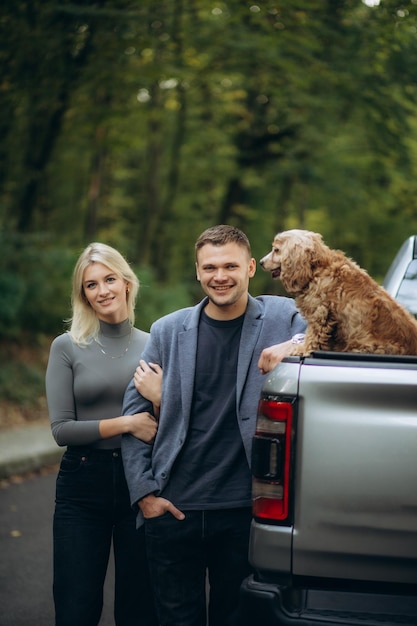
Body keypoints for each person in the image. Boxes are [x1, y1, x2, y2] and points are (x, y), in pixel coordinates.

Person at [121, 225, 306, 626]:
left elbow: (331, 333)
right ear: (197, 272)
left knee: (235, 619)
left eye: (230, 266)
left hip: (244, 511)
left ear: (251, 267)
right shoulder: (167, 331)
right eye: (209, 267)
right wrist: (145, 495)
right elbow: (134, 419)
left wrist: (288, 347)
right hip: (173, 508)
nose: (219, 276)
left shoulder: (281, 315)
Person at [45, 242, 161, 626]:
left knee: (139, 608)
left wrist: (159, 400)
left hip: (139, 482)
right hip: (82, 484)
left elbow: (169, 423)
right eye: (91, 285)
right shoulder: (67, 348)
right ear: (84, 295)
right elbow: (62, 430)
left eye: (109, 279)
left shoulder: (156, 344)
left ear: (127, 283)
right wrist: (127, 423)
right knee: (76, 606)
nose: (102, 290)